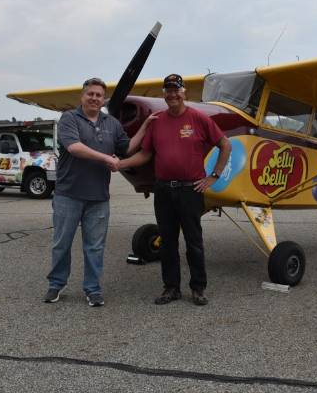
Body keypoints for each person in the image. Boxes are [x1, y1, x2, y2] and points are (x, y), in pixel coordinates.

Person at [117, 74, 231, 306]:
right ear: (164, 94)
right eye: (168, 91)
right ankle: (171, 288)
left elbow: (225, 144)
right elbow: (145, 154)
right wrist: (120, 163)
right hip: (164, 191)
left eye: (176, 90)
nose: (173, 94)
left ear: (184, 92)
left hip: (190, 190)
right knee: (168, 242)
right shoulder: (157, 120)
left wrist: (214, 176)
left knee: (194, 242)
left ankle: (198, 288)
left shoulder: (198, 118)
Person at [43, 77, 155, 307]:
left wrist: (145, 126)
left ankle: (92, 288)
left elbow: (127, 148)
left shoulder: (112, 123)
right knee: (61, 243)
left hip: (98, 198)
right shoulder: (69, 119)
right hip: (68, 195)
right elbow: (74, 148)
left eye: (99, 95)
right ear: (82, 97)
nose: (94, 98)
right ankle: (56, 283)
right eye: (90, 94)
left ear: (104, 99)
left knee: (95, 246)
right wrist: (106, 158)